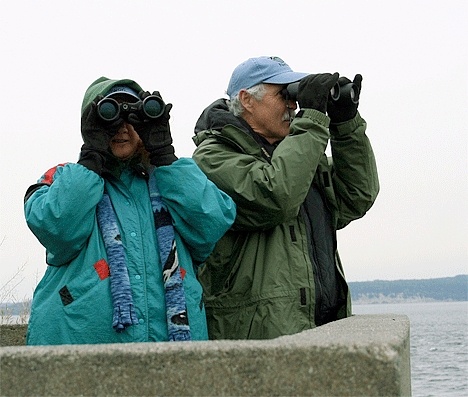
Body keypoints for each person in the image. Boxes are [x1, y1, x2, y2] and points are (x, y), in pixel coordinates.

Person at [24, 77, 236, 345]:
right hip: (81, 350)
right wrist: (91, 156)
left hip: (169, 356)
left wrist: (164, 155)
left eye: (132, 118)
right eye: (109, 117)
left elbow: (213, 222)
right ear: (90, 125)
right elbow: (56, 228)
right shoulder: (65, 178)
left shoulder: (170, 179)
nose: (122, 128)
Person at [192, 56, 379, 340]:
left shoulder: (295, 153)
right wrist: (313, 117)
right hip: (257, 336)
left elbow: (356, 197)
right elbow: (275, 198)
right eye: (284, 94)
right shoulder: (212, 157)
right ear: (247, 100)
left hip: (324, 328)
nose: (293, 105)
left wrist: (345, 124)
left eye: (296, 95)